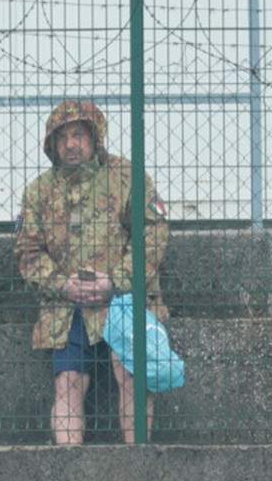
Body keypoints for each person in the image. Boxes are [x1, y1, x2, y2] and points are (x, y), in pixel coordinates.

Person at [15, 100, 170, 445]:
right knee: (68, 381)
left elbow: (153, 233)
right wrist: (63, 285)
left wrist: (116, 282)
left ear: (95, 138)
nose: (71, 144)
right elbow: (28, 252)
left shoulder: (127, 178)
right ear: (51, 145)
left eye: (79, 135)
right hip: (66, 309)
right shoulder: (39, 192)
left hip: (124, 302)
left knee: (130, 372)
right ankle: (69, 471)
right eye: (63, 137)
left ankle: (138, 461)